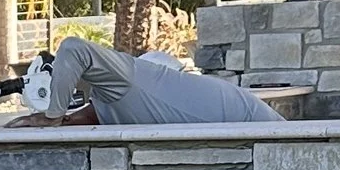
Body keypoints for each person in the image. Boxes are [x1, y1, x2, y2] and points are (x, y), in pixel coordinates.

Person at [32, 38, 279, 126]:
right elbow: (88, 115)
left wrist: (52, 117)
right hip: (258, 122)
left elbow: (73, 48)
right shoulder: (118, 101)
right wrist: (60, 118)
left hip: (261, 126)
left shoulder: (131, 80)